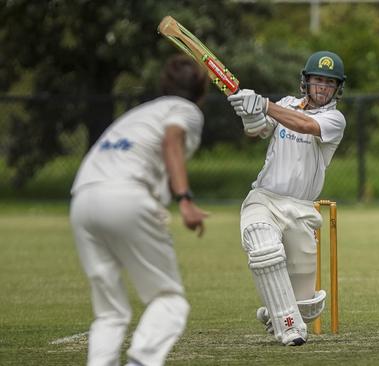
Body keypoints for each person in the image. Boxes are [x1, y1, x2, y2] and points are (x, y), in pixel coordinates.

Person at [70, 55, 209, 365]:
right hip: (125, 196)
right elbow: (171, 140)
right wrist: (184, 199)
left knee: (109, 311)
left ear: (165, 84)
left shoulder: (141, 112)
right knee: (169, 300)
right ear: (201, 91)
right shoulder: (186, 110)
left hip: (82, 197)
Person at [226, 51, 346, 346]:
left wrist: (265, 104)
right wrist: (251, 112)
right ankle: (287, 326)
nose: (322, 87)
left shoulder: (334, 119)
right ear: (305, 82)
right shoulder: (285, 105)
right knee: (262, 245)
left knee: (307, 307)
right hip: (265, 198)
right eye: (317, 80)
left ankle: (279, 312)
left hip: (302, 210)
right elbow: (256, 132)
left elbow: (304, 125)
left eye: (329, 83)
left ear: (337, 88)